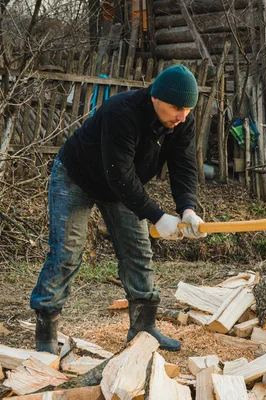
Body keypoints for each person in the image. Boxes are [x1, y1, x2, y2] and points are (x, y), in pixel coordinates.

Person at [30, 65, 207, 354]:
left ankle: (143, 328)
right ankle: (46, 331)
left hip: (122, 184)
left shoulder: (181, 122)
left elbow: (184, 166)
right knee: (66, 252)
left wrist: (187, 208)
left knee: (138, 251)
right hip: (77, 176)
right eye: (177, 108)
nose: (182, 116)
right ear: (155, 97)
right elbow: (119, 175)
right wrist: (157, 216)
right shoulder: (121, 112)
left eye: (188, 109)